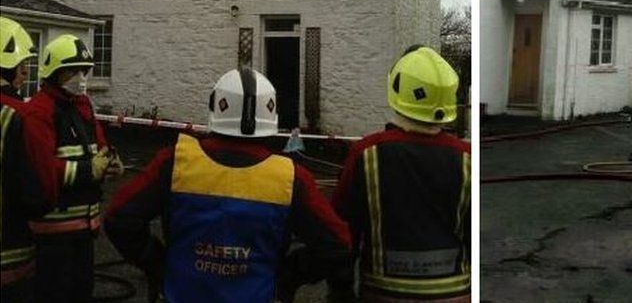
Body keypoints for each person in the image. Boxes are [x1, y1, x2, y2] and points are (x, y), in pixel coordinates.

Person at [104, 67, 353, 303]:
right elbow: (337, 245)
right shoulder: (290, 177)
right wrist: (286, 278)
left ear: (215, 109)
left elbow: (120, 219)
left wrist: (159, 265)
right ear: (271, 117)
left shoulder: (176, 163)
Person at [333, 46, 471, 302]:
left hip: (383, 293)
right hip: (455, 293)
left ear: (396, 88)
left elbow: (342, 232)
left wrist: (339, 290)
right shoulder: (467, 158)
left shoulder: (366, 153)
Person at [19, 34, 122, 303]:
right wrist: (91, 171)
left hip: (85, 227)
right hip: (54, 233)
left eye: (84, 70)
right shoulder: (39, 112)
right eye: (72, 71)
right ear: (53, 73)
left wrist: (111, 161)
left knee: (81, 290)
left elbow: (98, 146)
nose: (81, 77)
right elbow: (42, 170)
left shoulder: (83, 106)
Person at [0, 17, 44, 301]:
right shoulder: (17, 117)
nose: (25, 74)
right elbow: (34, 190)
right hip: (10, 253)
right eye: (23, 66)